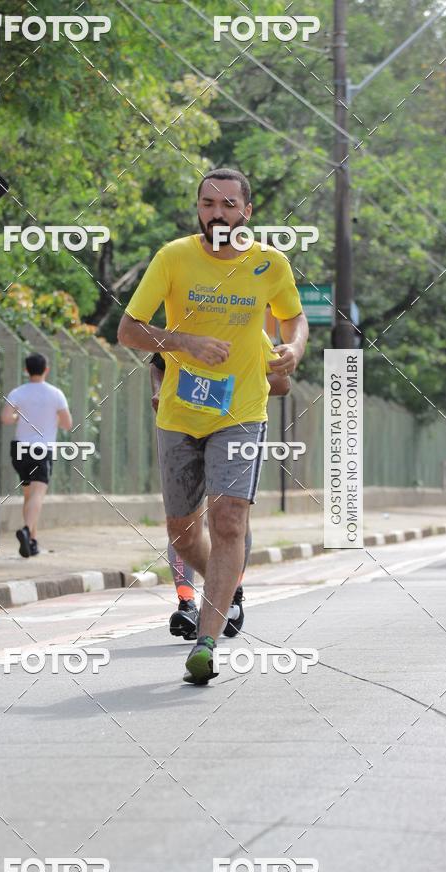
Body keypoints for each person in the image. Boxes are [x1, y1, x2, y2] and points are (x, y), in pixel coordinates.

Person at [118, 167, 308, 684]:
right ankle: (231, 588)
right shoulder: (174, 257)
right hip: (179, 413)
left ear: (247, 210)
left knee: (228, 521)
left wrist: (294, 348)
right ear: (198, 208)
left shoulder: (270, 263)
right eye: (208, 203)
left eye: (228, 205)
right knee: (183, 536)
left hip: (243, 412)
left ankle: (207, 639)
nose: (217, 214)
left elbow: (293, 317)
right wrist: (184, 344)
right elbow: (128, 331)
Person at [149, 332, 291, 641]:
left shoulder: (252, 330)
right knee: (184, 525)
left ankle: (231, 593)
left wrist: (238, 385)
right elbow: (158, 363)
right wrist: (160, 392)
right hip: (183, 428)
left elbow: (282, 383)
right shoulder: (185, 325)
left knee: (230, 519)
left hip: (234, 430)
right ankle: (187, 603)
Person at [1, 352, 72, 557]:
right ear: (46, 370)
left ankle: (31, 540)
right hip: (41, 449)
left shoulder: (18, 392)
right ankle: (25, 530)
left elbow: (5, 418)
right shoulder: (56, 394)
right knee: (38, 495)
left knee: (28, 495)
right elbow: (68, 424)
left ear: (26, 370)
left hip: (20, 448)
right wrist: (53, 421)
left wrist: (18, 417)